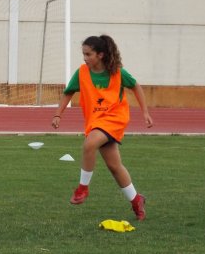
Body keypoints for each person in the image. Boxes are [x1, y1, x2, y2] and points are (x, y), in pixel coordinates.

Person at [51, 35, 153, 220]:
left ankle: (82, 189)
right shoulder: (82, 72)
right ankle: (137, 200)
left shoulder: (118, 72)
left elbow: (136, 86)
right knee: (114, 166)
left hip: (114, 119)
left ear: (100, 55)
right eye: (83, 54)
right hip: (96, 121)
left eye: (88, 54)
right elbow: (68, 93)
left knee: (89, 145)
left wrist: (145, 112)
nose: (85, 58)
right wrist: (58, 114)